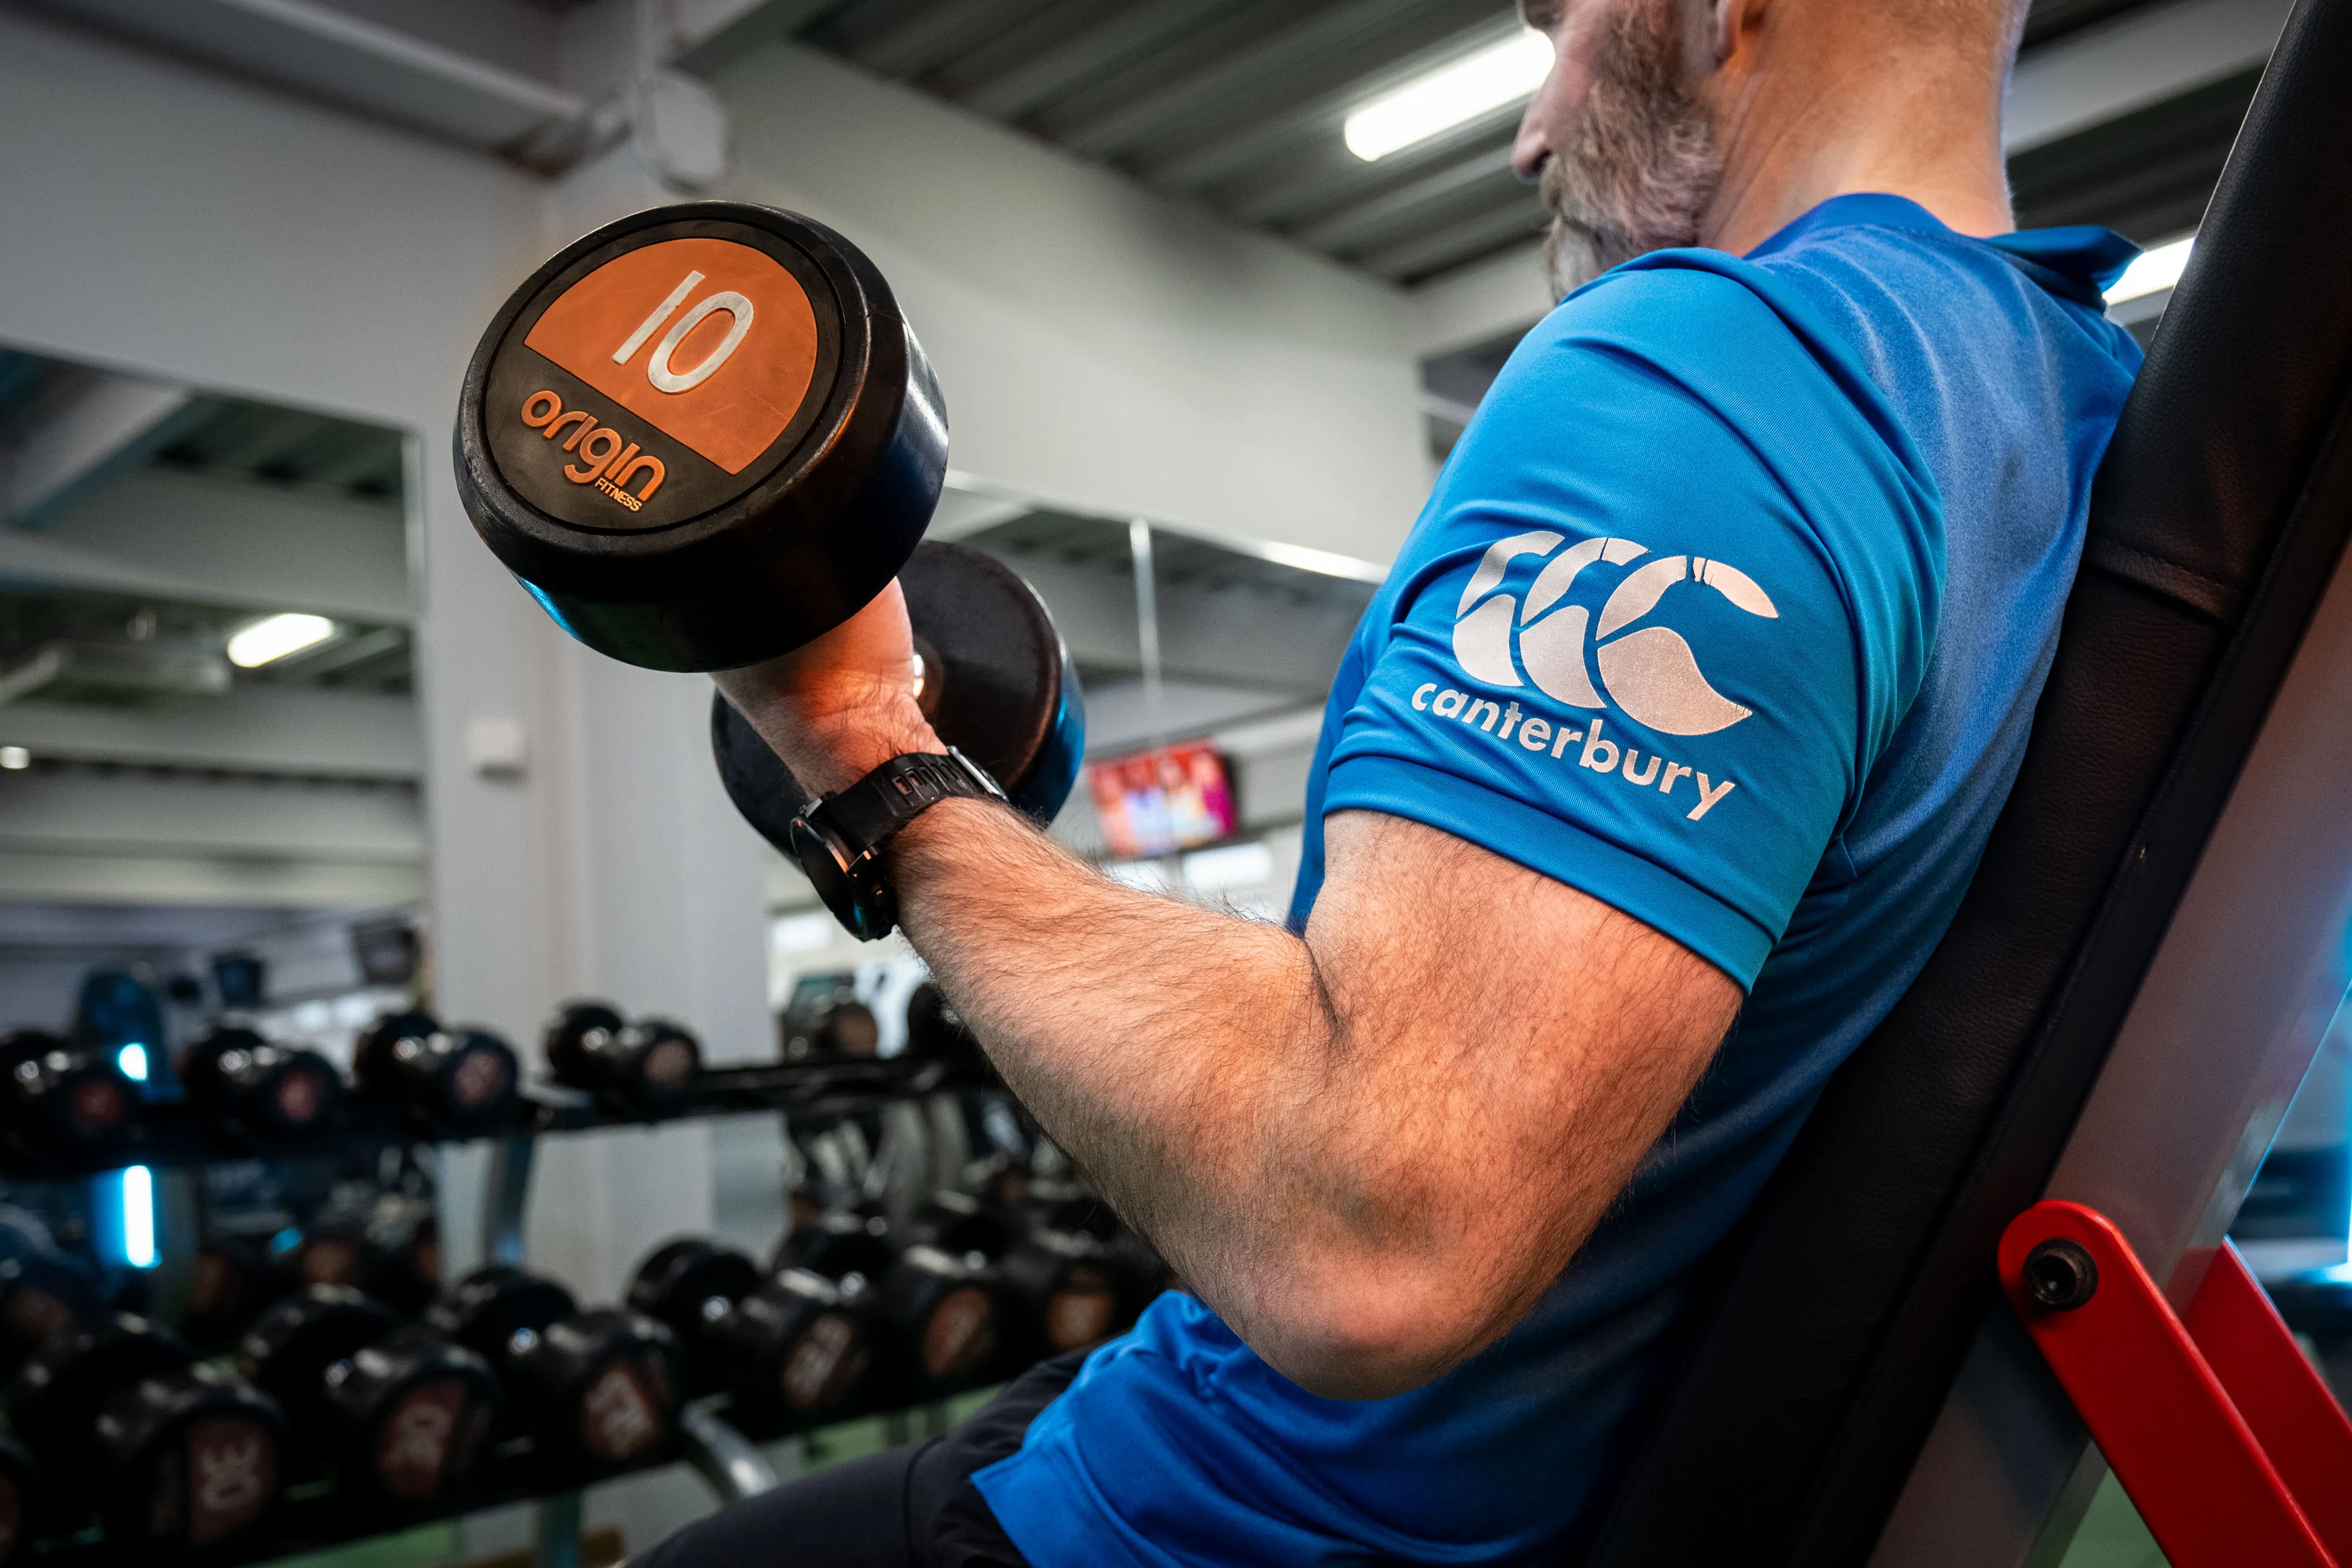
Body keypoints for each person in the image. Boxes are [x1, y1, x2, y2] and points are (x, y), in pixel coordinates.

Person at [643, 0, 2145, 1560]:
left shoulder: (1717, 370)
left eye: (1557, 25)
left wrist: (864, 742)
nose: (1532, 131)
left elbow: (1372, 1230)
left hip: (1236, 1519)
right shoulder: (2063, 399)